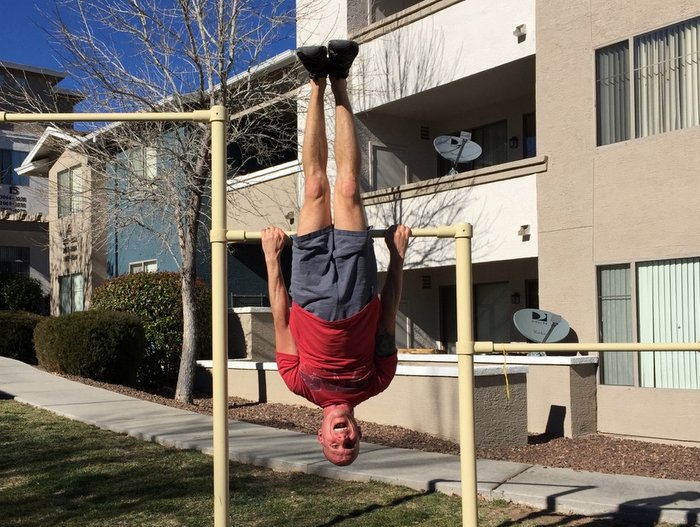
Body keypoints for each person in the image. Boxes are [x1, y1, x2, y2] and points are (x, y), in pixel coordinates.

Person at [261, 40, 411, 466]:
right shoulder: (377, 381)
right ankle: (340, 78)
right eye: (352, 445)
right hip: (359, 291)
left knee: (314, 188)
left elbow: (281, 319)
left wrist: (273, 260)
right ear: (359, 434)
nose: (344, 439)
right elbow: (388, 315)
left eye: (336, 444)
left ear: (320, 435)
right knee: (346, 188)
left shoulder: (298, 383)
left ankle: (315, 82)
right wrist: (397, 257)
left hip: (308, 293)